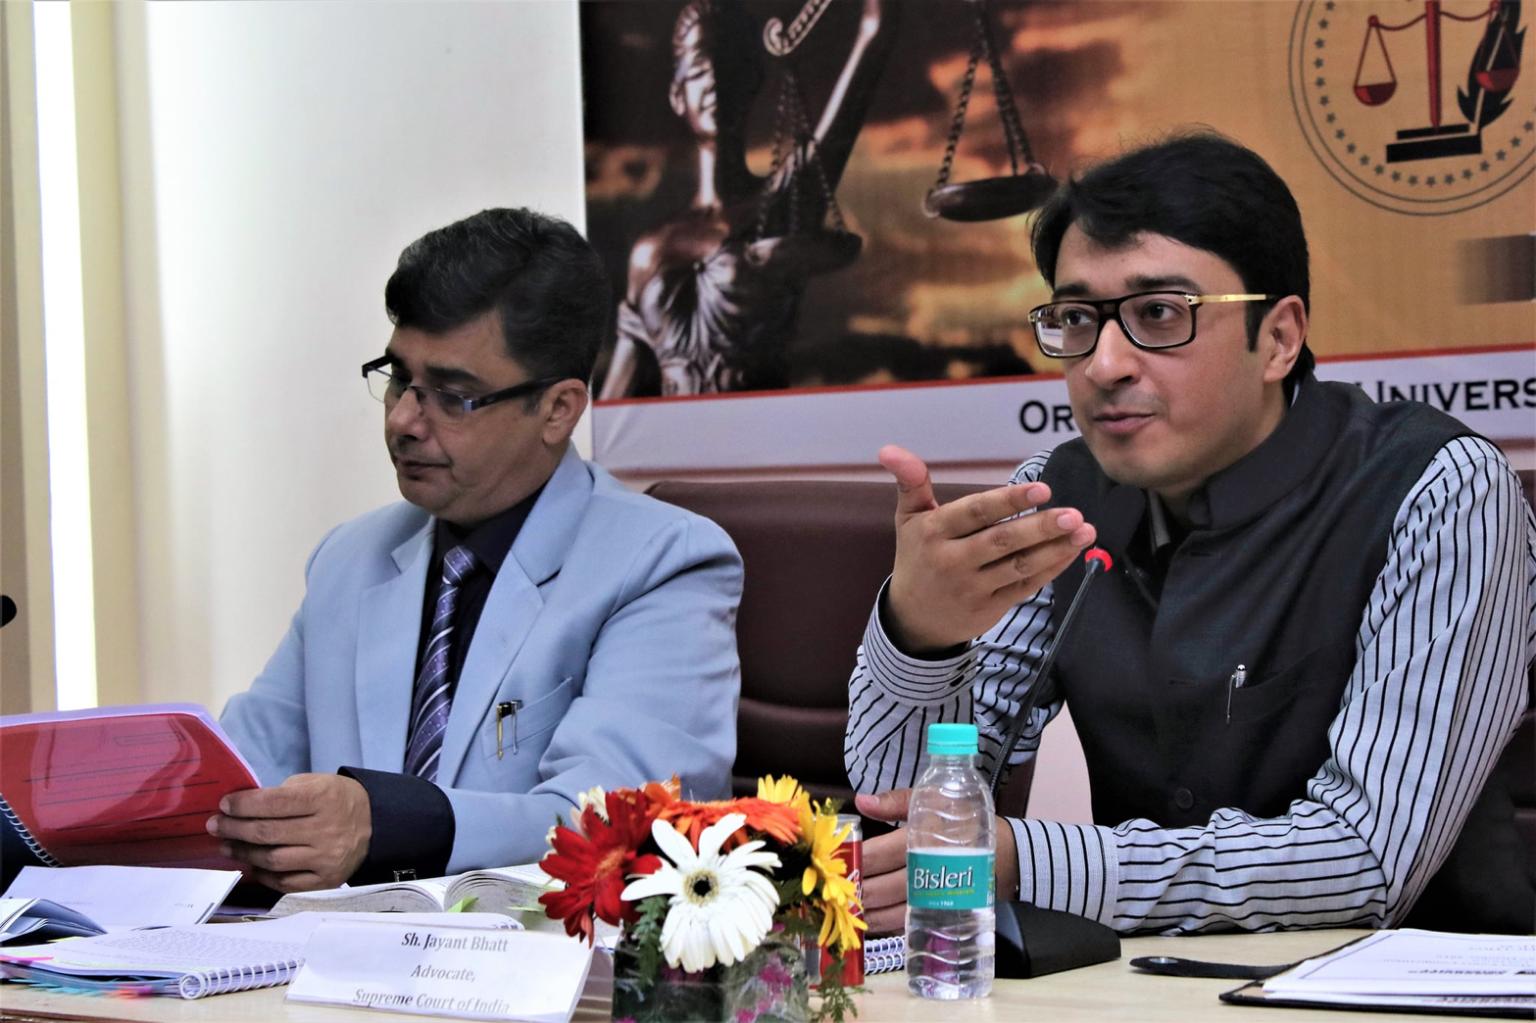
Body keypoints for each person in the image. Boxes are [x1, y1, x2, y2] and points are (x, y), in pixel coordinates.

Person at [845, 133, 1535, 935]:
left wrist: (1029, 862)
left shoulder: (1438, 488)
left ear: (1278, 339)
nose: (1104, 364)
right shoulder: (1058, 495)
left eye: (1159, 314)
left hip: (1409, 984)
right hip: (1145, 987)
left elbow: (1365, 860)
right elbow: (905, 817)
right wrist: (921, 637)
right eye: (1078, 318)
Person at [213, 209, 743, 892]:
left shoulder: (663, 561)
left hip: (531, 951)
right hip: (326, 950)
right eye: (398, 378)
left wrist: (389, 826)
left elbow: (619, 826)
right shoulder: (350, 557)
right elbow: (244, 776)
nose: (404, 419)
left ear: (558, 409)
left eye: (453, 396)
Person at [598, 0, 897, 398]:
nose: (715, 80)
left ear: (752, 81)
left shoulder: (783, 204)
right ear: (677, 95)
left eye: (730, 65)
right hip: (678, 434)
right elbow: (616, 399)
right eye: (700, 68)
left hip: (762, 427)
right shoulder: (650, 251)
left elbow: (876, 30)